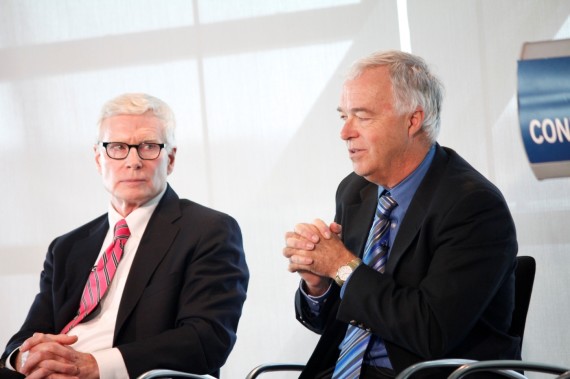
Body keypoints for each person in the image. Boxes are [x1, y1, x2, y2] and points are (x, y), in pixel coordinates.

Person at [283, 51, 519, 379]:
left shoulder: (473, 206)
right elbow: (345, 316)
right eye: (343, 117)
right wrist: (319, 283)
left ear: (412, 120)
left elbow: (431, 331)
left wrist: (341, 265)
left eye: (362, 117)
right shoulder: (355, 192)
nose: (345, 132)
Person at [0, 93, 249, 379]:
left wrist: (95, 366)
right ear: (98, 159)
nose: (133, 161)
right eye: (117, 147)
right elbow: (27, 337)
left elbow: (206, 340)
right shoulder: (67, 247)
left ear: (170, 159)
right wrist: (25, 359)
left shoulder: (208, 230)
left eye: (148, 146)